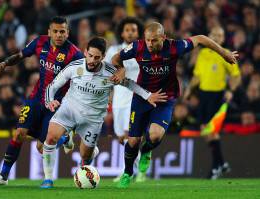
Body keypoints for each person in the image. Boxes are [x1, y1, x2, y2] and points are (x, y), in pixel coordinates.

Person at [111, 22, 238, 188]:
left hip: (165, 97)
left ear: (163, 38)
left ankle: (147, 150)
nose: (150, 44)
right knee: (133, 141)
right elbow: (115, 58)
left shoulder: (174, 47)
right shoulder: (137, 47)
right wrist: (120, 69)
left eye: (154, 40)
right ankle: (128, 173)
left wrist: (224, 53)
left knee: (155, 135)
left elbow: (200, 39)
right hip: (142, 97)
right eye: (148, 40)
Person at [40, 37, 168, 188]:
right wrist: (50, 101)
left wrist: (148, 95)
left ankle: (89, 154)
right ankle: (48, 179)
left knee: (85, 155)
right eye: (90, 55)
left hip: (92, 119)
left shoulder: (110, 72)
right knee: (50, 137)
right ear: (85, 52)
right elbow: (52, 86)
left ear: (103, 56)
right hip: (70, 110)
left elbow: (130, 84)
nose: (92, 60)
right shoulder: (74, 67)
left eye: (97, 57)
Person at [0, 16, 84, 186]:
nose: (59, 35)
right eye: (56, 31)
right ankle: (3, 177)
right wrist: (3, 64)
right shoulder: (40, 42)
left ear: (68, 33)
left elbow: (82, 82)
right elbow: (20, 55)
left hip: (56, 105)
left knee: (41, 147)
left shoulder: (76, 55)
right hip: (36, 99)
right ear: (49, 32)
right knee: (18, 133)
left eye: (62, 31)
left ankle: (64, 138)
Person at [183, 26, 241, 179]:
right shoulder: (202, 53)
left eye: (220, 35)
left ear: (223, 39)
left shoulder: (226, 54)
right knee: (204, 129)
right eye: (214, 34)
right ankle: (220, 163)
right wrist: (189, 88)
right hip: (203, 95)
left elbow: (236, 76)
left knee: (211, 130)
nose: (216, 37)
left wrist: (231, 90)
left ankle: (217, 166)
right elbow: (197, 75)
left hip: (217, 95)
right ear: (209, 36)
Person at [104, 17, 147, 182]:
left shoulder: (142, 50)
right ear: (122, 32)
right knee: (122, 137)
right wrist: (107, 95)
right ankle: (137, 163)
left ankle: (129, 170)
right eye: (127, 30)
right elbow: (107, 72)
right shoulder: (114, 50)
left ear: (138, 33)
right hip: (119, 99)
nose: (130, 33)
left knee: (132, 135)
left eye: (133, 30)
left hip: (135, 97)